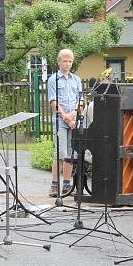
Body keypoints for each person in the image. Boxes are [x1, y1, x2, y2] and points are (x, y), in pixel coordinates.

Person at [47, 48, 82, 198]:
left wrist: (73, 115)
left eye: (70, 61)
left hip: (73, 120)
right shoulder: (53, 80)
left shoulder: (77, 80)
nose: (67, 64)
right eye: (65, 61)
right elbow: (53, 102)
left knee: (70, 153)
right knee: (60, 152)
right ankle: (54, 185)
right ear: (59, 62)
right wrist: (65, 117)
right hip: (60, 120)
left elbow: (80, 101)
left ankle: (67, 184)